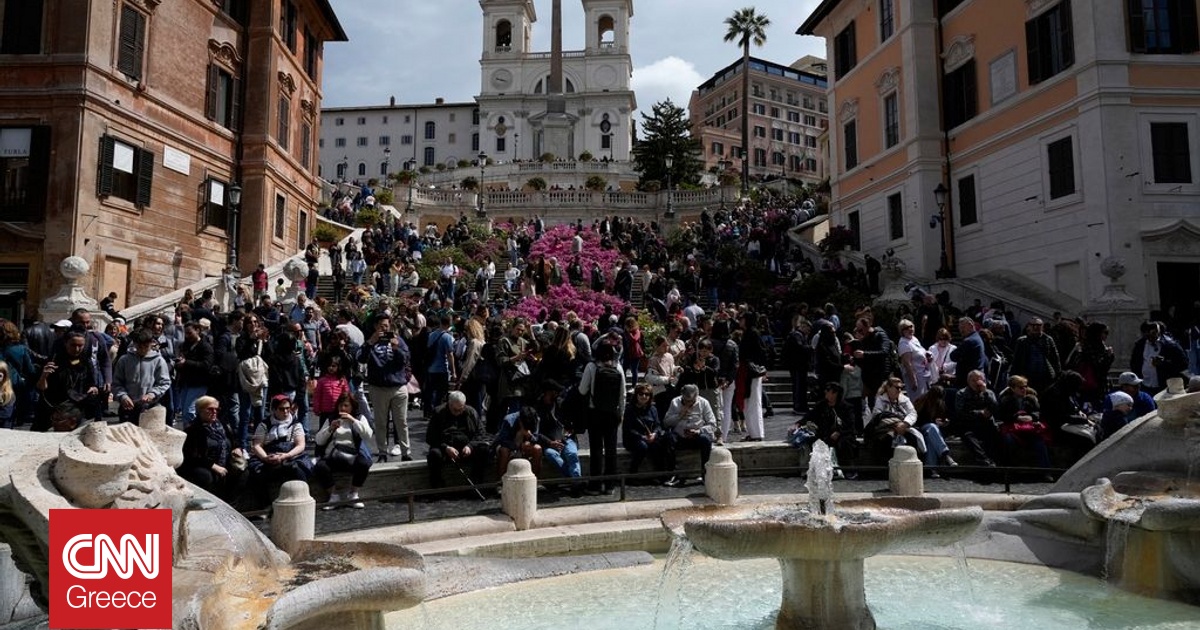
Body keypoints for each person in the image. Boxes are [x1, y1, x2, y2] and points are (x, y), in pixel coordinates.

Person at [359, 313, 412, 461]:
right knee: (381, 422)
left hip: (398, 387)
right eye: (381, 326)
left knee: (401, 421)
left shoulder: (398, 340)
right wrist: (370, 342)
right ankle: (382, 451)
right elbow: (361, 358)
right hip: (378, 387)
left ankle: (405, 452)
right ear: (376, 327)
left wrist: (396, 349)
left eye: (387, 326)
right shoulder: (371, 341)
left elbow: (405, 360)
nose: (384, 328)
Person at [577, 342, 625, 493]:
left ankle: (595, 485)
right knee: (611, 450)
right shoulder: (618, 367)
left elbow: (582, 390)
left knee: (596, 449)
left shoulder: (591, 367)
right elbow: (622, 394)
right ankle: (610, 485)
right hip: (612, 413)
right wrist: (621, 413)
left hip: (595, 412)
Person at [313, 392, 374, 509]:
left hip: (353, 455)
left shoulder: (359, 418)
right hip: (335, 456)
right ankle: (333, 495)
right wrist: (330, 428)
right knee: (320, 466)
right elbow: (319, 440)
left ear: (352, 407)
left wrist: (353, 421)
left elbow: (368, 435)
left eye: (346, 405)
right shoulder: (331, 419)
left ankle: (353, 494)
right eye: (340, 405)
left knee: (364, 464)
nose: (343, 408)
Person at [248, 394, 311, 506]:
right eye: (282, 409)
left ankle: (304, 498)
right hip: (269, 455)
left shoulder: (296, 424)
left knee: (297, 468)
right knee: (256, 473)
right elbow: (257, 445)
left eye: (288, 408)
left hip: (291, 455)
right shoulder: (264, 424)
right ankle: (264, 505)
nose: (286, 412)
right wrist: (265, 458)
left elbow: (301, 445)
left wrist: (286, 455)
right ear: (274, 409)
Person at [33, 331, 100, 432]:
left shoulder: (86, 361)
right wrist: (44, 376)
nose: (77, 349)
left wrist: (93, 388)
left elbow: (91, 383)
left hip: (77, 408)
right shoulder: (53, 360)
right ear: (65, 343)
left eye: (80, 346)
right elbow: (41, 388)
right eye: (73, 345)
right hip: (54, 407)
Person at [425, 391, 490, 490]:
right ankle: (437, 485)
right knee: (434, 454)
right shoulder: (438, 412)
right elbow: (431, 437)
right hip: (446, 448)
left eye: (461, 409)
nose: (458, 413)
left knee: (484, 449)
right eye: (455, 410)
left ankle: (476, 480)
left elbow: (481, 434)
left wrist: (470, 446)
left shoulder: (471, 412)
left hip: (466, 448)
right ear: (449, 404)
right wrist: (446, 447)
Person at [661, 384, 717, 487]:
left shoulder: (704, 403)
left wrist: (699, 431)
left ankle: (705, 474)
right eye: (686, 401)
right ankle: (671, 474)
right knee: (668, 438)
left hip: (696, 436)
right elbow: (666, 423)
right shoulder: (675, 402)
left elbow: (713, 425)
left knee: (705, 439)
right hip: (679, 436)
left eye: (691, 401)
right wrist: (679, 416)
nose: (688, 404)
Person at [177, 396, 235, 497]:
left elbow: (233, 441)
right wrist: (212, 466)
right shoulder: (193, 430)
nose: (214, 412)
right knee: (205, 476)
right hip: (202, 465)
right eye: (210, 409)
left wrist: (237, 448)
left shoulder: (222, 426)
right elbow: (192, 456)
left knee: (243, 471)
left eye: (216, 409)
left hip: (222, 462)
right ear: (200, 410)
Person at [996, 375, 1052, 478]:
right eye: (1020, 387)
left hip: (1029, 429)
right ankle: (1008, 471)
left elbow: (1038, 412)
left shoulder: (1031, 399)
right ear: (1013, 388)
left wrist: (1032, 417)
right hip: (1013, 430)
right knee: (1008, 441)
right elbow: (1002, 416)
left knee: (1040, 442)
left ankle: (1046, 471)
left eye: (1025, 386)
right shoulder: (1006, 400)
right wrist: (1017, 417)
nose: (1024, 389)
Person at [112, 330, 172, 426]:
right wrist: (122, 396)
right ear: (135, 344)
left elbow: (164, 382)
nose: (143, 350)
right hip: (127, 406)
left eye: (146, 347)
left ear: (151, 344)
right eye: (140, 347)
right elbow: (116, 383)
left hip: (150, 407)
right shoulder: (124, 360)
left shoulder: (158, 361)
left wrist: (152, 393)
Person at [799, 383, 858, 479]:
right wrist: (799, 423)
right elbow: (810, 415)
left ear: (835, 393)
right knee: (814, 441)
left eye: (828, 391)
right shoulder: (821, 405)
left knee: (845, 443)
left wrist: (839, 432)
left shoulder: (846, 407)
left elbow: (850, 424)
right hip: (825, 433)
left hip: (843, 434)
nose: (825, 392)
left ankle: (849, 470)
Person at [866, 377, 927, 462]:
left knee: (912, 438)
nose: (899, 390)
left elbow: (913, 413)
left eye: (901, 388)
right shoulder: (880, 399)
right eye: (897, 388)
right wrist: (895, 424)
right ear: (888, 388)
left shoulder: (905, 399)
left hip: (904, 427)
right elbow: (877, 415)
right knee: (886, 439)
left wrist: (905, 424)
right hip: (887, 428)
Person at [953, 369, 1000, 467]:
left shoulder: (989, 393)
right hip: (969, 425)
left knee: (994, 433)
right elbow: (960, 413)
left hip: (986, 424)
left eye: (979, 380)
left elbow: (996, 409)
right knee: (969, 437)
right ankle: (984, 461)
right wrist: (979, 413)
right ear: (968, 381)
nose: (976, 383)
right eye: (973, 380)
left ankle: (995, 461)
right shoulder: (961, 394)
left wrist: (985, 393)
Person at [1129, 321, 1187, 395]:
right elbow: (1134, 363)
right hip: (1145, 385)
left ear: (1158, 332)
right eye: (1147, 334)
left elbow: (1183, 364)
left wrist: (1164, 363)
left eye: (1153, 334)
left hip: (1164, 386)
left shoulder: (1170, 345)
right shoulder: (1140, 345)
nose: (1150, 337)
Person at [911, 385, 958, 474]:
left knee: (931, 437)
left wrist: (945, 422)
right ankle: (945, 455)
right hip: (922, 428)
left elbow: (947, 417)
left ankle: (931, 467)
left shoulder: (942, 404)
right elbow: (917, 419)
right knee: (932, 427)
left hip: (935, 431)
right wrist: (933, 421)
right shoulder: (921, 402)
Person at [623, 383, 664, 479]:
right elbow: (628, 429)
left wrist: (654, 434)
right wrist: (642, 437)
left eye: (647, 394)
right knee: (642, 447)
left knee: (659, 445)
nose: (644, 396)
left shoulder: (653, 409)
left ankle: (659, 474)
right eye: (641, 394)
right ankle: (633, 474)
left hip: (650, 436)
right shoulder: (630, 410)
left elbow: (658, 425)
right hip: (634, 438)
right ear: (636, 395)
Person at [1010, 318, 1061, 394]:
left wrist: (1057, 374)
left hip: (1044, 377)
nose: (1036, 328)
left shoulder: (1048, 340)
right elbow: (1016, 361)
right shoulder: (1022, 341)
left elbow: (1055, 358)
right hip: (1027, 376)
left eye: (1038, 325)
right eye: (1033, 325)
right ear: (1029, 326)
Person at [896, 319, 931, 399]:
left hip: (923, 374)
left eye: (911, 326)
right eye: (906, 328)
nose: (910, 329)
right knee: (918, 401)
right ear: (902, 331)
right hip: (915, 377)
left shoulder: (914, 339)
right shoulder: (903, 343)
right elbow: (907, 363)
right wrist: (913, 380)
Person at [950, 318, 988, 389]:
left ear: (970, 325)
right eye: (960, 328)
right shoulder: (977, 338)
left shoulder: (970, 341)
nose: (961, 331)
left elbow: (953, 356)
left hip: (967, 381)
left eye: (963, 327)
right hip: (973, 377)